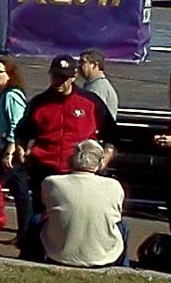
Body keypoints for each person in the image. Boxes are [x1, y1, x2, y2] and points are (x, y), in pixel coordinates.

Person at [15, 55, 115, 219]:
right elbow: (22, 132)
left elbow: (111, 133)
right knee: (41, 218)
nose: (59, 81)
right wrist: (22, 152)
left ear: (74, 77)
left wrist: (106, 156)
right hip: (45, 170)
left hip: (79, 171)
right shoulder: (39, 103)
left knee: (77, 216)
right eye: (56, 76)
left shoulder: (90, 102)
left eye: (64, 77)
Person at [32, 140, 127, 268]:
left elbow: (46, 207)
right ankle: (123, 267)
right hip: (103, 257)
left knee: (37, 219)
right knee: (122, 226)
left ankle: (30, 257)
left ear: (71, 160)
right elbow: (117, 215)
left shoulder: (52, 182)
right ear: (100, 163)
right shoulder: (114, 185)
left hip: (58, 255)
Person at [0, 56, 32, 235]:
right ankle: (26, 232)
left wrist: (9, 151)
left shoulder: (11, 96)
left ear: (9, 74)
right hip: (1, 149)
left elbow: (16, 124)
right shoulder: (2, 96)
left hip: (7, 151)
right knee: (20, 192)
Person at [76, 49, 120, 121]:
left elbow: (95, 115)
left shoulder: (98, 87)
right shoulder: (93, 85)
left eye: (83, 62)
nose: (79, 66)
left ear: (95, 65)